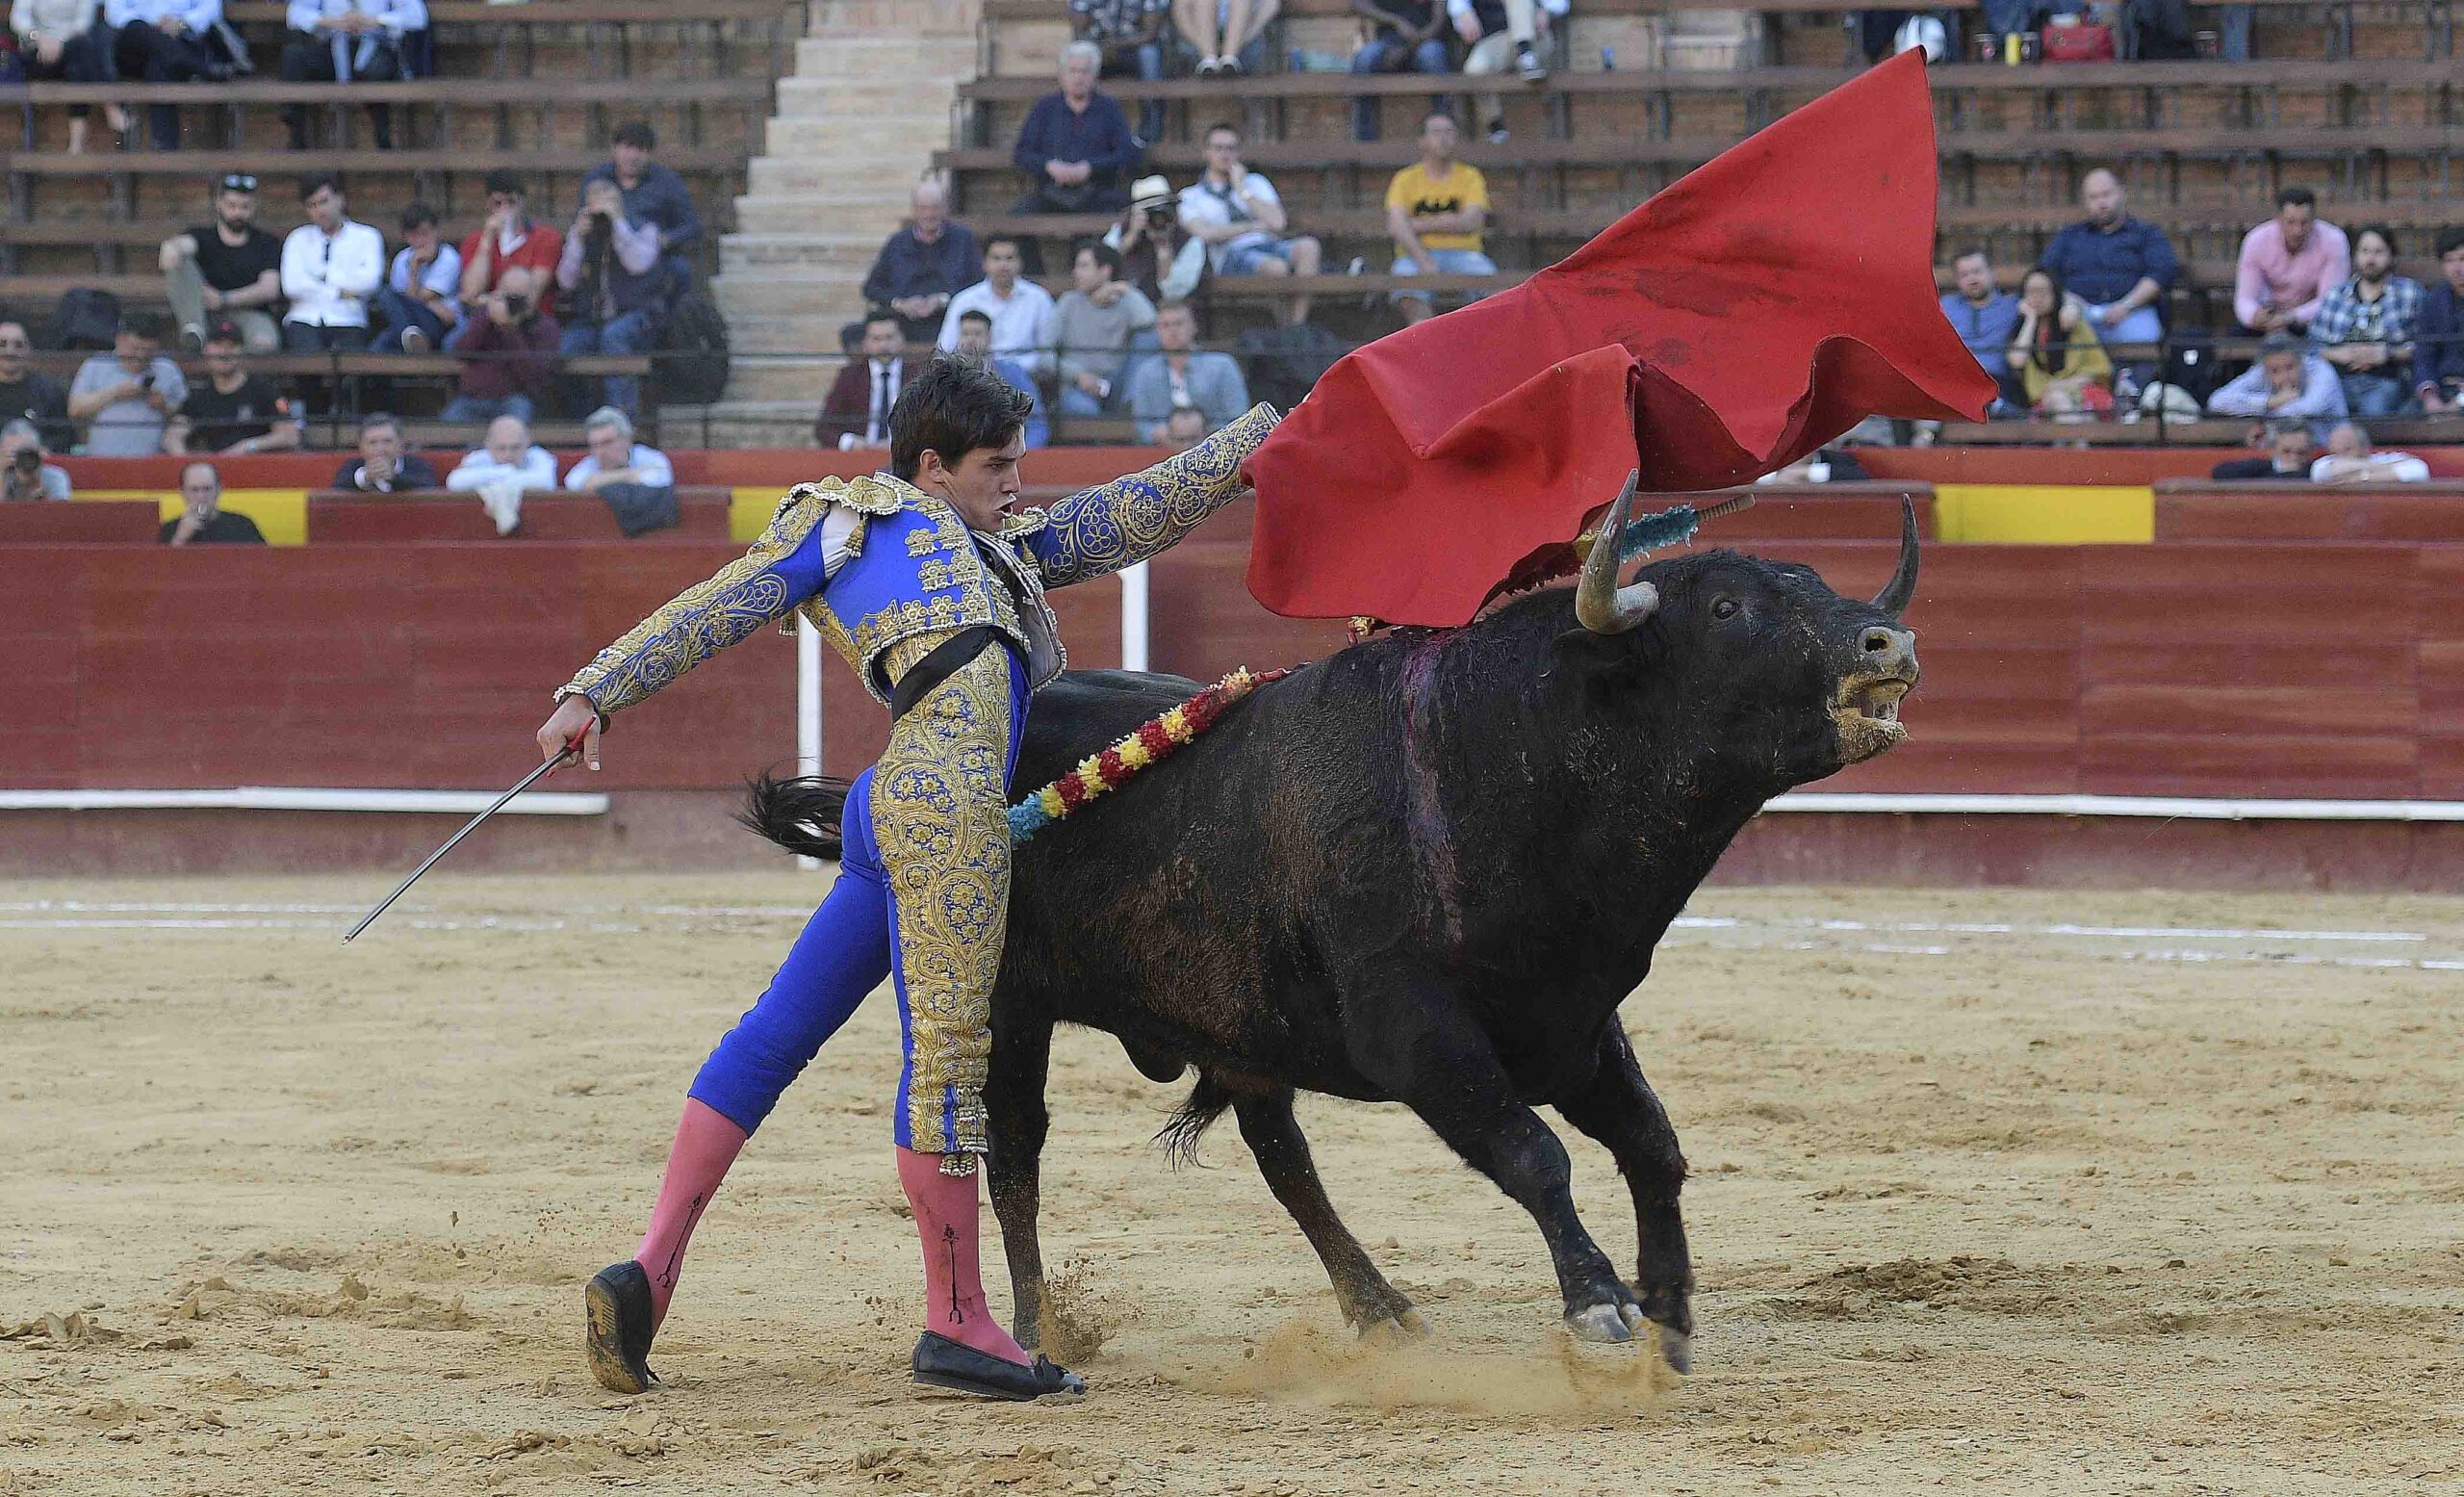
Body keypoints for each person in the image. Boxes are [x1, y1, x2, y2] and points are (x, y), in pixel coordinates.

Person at [532, 353, 1277, 1405]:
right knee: (946, 1065)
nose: (1015, 481)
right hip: (949, 812)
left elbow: (1129, 515)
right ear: (931, 466)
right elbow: (721, 605)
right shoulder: (843, 518)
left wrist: (1251, 444)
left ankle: (648, 1269)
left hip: (887, 805)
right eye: (994, 465)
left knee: (774, 1033)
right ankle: (959, 1325)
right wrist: (596, 691)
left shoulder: (984, 541)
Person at [1177, 122, 1322, 325]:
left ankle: (1297, 325)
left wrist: (1242, 189)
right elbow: (1205, 233)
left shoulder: (1255, 183)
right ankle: (1287, 326)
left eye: (1231, 148)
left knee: (1308, 247)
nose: (1225, 154)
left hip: (1268, 244)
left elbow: (1278, 222)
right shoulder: (1191, 195)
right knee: (1276, 268)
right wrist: (1252, 226)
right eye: (1218, 148)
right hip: (1230, 254)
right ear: (1206, 152)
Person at [2038, 168, 2178, 372]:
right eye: (2093, 197)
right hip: (2079, 314)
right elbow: (2044, 273)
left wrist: (2126, 305)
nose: (2101, 202)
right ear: (2085, 202)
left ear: (2121, 193)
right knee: (2053, 334)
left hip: (2132, 312)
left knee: (2147, 338)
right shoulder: (2069, 236)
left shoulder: (2145, 233)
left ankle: (2135, 397)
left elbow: (2161, 272)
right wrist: (2066, 299)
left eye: (2106, 194)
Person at [556, 177, 667, 416]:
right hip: (591, 318)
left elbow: (638, 263)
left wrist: (617, 223)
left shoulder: (643, 228)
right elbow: (566, 281)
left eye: (607, 201)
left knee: (614, 337)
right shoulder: (584, 233)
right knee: (566, 347)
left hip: (636, 315)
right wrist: (576, 237)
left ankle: (623, 418)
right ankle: (582, 420)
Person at [1012, 42, 1142, 226]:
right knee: (1017, 219)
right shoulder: (1044, 107)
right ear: (1062, 74)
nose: (1078, 78)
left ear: (1095, 75)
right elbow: (1022, 153)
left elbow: (1127, 153)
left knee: (1126, 214)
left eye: (1085, 71)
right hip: (1051, 192)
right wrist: (1049, 166)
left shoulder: (1108, 108)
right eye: (1073, 71)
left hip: (1096, 192)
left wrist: (1089, 167)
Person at [1386, 113, 1496, 327]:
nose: (1443, 138)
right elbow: (1396, 226)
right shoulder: (1405, 179)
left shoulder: (1470, 176)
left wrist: (1419, 224)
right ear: (1422, 141)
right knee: (1406, 284)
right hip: (1415, 254)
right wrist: (1422, 258)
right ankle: (1426, 334)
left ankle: (1486, 338)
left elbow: (1471, 222)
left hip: (1466, 254)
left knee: (1494, 287)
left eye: (1449, 132)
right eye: (1436, 132)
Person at [161, 173, 286, 353]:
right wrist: (172, 247)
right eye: (232, 205)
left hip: (250, 313)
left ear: (254, 206)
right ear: (219, 203)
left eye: (245, 207)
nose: (237, 212)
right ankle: (194, 331)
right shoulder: (202, 236)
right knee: (179, 258)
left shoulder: (266, 242)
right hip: (203, 314)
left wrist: (223, 300)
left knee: (265, 343)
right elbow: (184, 245)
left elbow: (269, 288)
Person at [2309, 224, 2424, 418]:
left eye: (2378, 252)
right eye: (2365, 251)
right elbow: (2311, 347)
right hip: (2339, 379)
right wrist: (2338, 354)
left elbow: (2426, 346)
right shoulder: (2336, 295)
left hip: (2387, 379)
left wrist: (2387, 354)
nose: (2370, 259)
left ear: (2392, 257)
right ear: (2355, 256)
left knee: (2374, 413)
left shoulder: (2409, 293)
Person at [280, 0, 423, 151]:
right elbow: (295, 13)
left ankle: (383, 138)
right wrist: (329, 21)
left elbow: (417, 16)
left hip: (377, 47)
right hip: (334, 46)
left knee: (376, 70)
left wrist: (375, 20)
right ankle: (297, 137)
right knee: (294, 56)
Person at [857, 181, 981, 350]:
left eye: (935, 208)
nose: (929, 214)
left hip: (948, 319)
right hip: (903, 321)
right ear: (914, 210)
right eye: (923, 208)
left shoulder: (964, 239)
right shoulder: (897, 242)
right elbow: (871, 288)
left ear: (945, 208)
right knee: (854, 335)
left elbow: (977, 283)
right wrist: (899, 303)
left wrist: (941, 300)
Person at [581, 122, 704, 291]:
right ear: (614, 149)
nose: (633, 156)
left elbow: (691, 225)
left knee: (681, 270)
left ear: (649, 153)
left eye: (640, 149)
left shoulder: (667, 182)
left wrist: (666, 239)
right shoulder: (597, 179)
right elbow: (584, 217)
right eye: (627, 148)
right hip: (607, 255)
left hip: (654, 255)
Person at [280, 174, 386, 353]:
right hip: (304, 319)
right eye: (312, 205)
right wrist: (340, 291)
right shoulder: (297, 239)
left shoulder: (368, 237)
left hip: (349, 319)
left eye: (324, 201)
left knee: (354, 370)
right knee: (305, 364)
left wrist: (322, 279)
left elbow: (370, 282)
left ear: (340, 200)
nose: (320, 210)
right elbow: (291, 286)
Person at [444, 266, 561, 424]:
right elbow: (461, 353)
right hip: (473, 399)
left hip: (514, 399)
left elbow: (534, 376)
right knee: (445, 432)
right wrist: (488, 317)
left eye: (518, 297)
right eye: (508, 295)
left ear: (532, 295)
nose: (512, 302)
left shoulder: (544, 327)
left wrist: (510, 330)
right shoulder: (483, 318)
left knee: (516, 428)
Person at [167, 322, 303, 455]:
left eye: (231, 346)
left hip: (256, 468)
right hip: (215, 471)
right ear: (206, 350)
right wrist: (185, 462)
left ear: (241, 351)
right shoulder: (200, 397)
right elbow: (172, 435)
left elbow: (290, 435)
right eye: (218, 345)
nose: (225, 352)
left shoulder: (264, 389)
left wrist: (248, 446)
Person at [1053, 241, 1156, 418]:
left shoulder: (1125, 303)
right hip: (1078, 385)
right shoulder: (1068, 302)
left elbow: (1149, 322)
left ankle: (1130, 403)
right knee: (1084, 409)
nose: (1076, 273)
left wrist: (1126, 290)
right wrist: (1078, 375)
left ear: (1105, 271)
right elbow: (1045, 354)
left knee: (1148, 337)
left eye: (1084, 266)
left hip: (1116, 383)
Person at [106, 0, 225, 151]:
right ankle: (195, 64)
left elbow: (211, 8)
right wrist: (152, 27)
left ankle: (165, 146)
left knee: (160, 63)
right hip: (135, 45)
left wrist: (182, 23)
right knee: (137, 28)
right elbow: (114, 13)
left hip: (180, 37)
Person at [1126, 298, 1249, 440]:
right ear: (1157, 331)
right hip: (1163, 453)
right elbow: (1141, 426)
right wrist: (1163, 434)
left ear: (1193, 327)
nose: (1173, 331)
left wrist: (1207, 433)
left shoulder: (1223, 366)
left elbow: (1240, 417)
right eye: (1165, 325)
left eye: (1179, 323)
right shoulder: (1145, 373)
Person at [2234, 187, 2350, 336]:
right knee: (2236, 336)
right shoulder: (2256, 240)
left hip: (2310, 320)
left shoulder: (2333, 241)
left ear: (2314, 219)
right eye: (2290, 222)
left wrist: (2292, 317)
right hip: (2267, 318)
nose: (2297, 230)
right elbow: (2245, 298)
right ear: (2279, 218)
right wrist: (2254, 316)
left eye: (2304, 223)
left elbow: (2330, 301)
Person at [455, 170, 565, 329]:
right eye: (498, 203)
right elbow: (471, 292)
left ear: (522, 202)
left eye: (511, 202)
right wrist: (487, 240)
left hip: (531, 320)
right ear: (488, 204)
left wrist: (486, 300)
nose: (505, 210)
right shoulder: (475, 240)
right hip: (486, 321)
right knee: (453, 342)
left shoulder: (546, 238)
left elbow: (531, 295)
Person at [13, 0, 125, 154]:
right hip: (38, 49)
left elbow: (83, 23)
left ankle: (77, 143)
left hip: (70, 45)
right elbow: (18, 18)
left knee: (78, 63)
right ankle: (110, 106)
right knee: (83, 58)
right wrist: (39, 37)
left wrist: (59, 43)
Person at [68, 311, 187, 456]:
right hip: (102, 460)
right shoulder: (96, 365)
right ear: (120, 340)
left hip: (151, 463)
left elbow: (182, 412)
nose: (141, 356)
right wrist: (115, 393)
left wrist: (163, 406)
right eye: (135, 348)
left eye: (148, 351)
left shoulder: (167, 370)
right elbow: (75, 409)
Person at [936, 237, 1057, 377]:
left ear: (1020, 263)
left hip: (1024, 376)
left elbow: (1047, 352)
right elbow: (944, 350)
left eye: (1009, 258)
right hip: (974, 377)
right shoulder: (964, 300)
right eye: (996, 258)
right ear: (985, 263)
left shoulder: (1039, 298)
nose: (1003, 265)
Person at [2004, 267, 2113, 419]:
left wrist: (2063, 385)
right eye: (2031, 292)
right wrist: (2030, 319)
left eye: (2043, 291)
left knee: (2067, 405)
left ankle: (2077, 442)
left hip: (2084, 393)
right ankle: (2079, 443)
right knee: (2058, 401)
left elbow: (2099, 370)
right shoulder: (2022, 328)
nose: (2037, 297)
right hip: (2045, 401)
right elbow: (2017, 360)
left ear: (2055, 292)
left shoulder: (2075, 323)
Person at [1453, 0, 1564, 145]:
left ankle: (1526, 56)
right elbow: (1456, 6)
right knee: (1475, 69)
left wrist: (1546, 11)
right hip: (1497, 40)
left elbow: (1559, 4)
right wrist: (1463, 15)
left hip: (1536, 38)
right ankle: (1495, 124)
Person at [2206, 330, 2348, 438]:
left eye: (2289, 367)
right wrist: (2270, 402)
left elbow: (2307, 410)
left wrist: (2265, 424)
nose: (2284, 376)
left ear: (2301, 361)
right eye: (2275, 371)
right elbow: (2217, 401)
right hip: (2281, 448)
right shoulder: (2262, 371)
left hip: (2327, 448)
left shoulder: (2321, 371)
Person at [818, 310, 926, 451]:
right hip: (859, 457)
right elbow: (824, 427)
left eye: (889, 337)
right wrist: (850, 442)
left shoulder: (919, 375)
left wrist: (901, 443)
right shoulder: (850, 376)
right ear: (865, 343)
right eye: (876, 339)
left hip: (906, 457)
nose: (883, 346)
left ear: (902, 340)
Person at [1348, 0, 1450, 143]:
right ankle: (1365, 142)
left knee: (1433, 55)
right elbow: (1358, 5)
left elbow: (1439, 21)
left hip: (1424, 40)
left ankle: (1443, 134)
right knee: (1365, 58)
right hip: (1387, 45)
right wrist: (1395, 21)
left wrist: (1408, 49)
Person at [1070, 0, 1169, 143]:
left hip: (1134, 48)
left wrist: (1117, 45)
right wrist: (1101, 48)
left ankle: (1151, 128)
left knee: (1150, 54)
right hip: (1099, 48)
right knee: (1080, 54)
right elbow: (1079, 33)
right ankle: (1084, 129)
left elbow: (1150, 34)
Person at [1938, 248, 2023, 410]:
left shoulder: (2012, 305)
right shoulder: (1945, 306)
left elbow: (2052, 294)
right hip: (1954, 379)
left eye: (1977, 272)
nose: (1972, 279)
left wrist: (2071, 306)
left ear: (1992, 273)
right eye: (1964, 275)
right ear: (1957, 281)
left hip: (1996, 380)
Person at [373, 201, 464, 354]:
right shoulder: (402, 259)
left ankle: (412, 339)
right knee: (378, 347)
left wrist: (414, 268)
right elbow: (401, 303)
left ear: (436, 231)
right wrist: (430, 302)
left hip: (439, 324)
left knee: (388, 297)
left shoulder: (449, 258)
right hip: (408, 322)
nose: (420, 241)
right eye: (413, 235)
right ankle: (411, 339)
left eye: (425, 233)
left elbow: (417, 299)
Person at [1104, 175, 1207, 306]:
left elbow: (1174, 293)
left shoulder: (1190, 242)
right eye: (1150, 212)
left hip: (1168, 314)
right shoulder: (1121, 231)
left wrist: (1164, 248)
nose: (1157, 218)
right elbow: (1101, 263)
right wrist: (1130, 238)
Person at [563, 405, 674, 491]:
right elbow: (572, 483)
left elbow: (661, 479)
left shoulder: (650, 457)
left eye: (607, 443)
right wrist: (631, 475)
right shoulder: (591, 462)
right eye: (594, 445)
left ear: (626, 439)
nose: (600, 452)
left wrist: (597, 480)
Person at [0, 321, 72, 447]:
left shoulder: (48, 390)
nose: (10, 351)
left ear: (29, 350)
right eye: (2, 344)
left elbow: (64, 436)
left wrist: (42, 450)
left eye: (18, 345)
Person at [2418, 227, 2464, 415]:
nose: (2457, 268)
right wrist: (2430, 397)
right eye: (2449, 260)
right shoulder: (2433, 300)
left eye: (2462, 259)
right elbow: (2424, 353)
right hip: (2442, 389)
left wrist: (2459, 402)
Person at [161, 460, 265, 544]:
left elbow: (263, 563)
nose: (201, 496)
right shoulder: (170, 529)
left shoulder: (242, 525)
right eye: (194, 490)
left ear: (218, 490)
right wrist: (180, 538)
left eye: (207, 489)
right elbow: (162, 567)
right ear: (183, 493)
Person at [445, 413, 555, 491]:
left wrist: (488, 479)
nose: (509, 455)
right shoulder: (478, 458)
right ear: (488, 445)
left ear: (527, 442)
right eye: (501, 448)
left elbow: (546, 483)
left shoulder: (539, 456)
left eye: (516, 447)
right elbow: (454, 482)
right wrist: (507, 472)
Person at [332, 411, 440, 490]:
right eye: (372, 442)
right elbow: (336, 490)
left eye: (387, 441)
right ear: (361, 447)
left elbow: (429, 488)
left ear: (400, 445)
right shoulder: (351, 466)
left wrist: (394, 478)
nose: (380, 449)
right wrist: (366, 477)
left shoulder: (418, 465)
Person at [1170, 0, 1276, 75]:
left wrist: (1237, 42)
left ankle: (1229, 58)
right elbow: (1180, 13)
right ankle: (1209, 58)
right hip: (1198, 47)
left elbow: (1271, 6)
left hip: (1244, 45)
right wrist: (1207, 45)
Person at [2309, 422, 2431, 484]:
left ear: (2365, 448)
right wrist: (2382, 469)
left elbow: (2419, 471)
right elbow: (2319, 472)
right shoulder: (2327, 461)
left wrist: (2360, 478)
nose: (2341, 457)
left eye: (2347, 449)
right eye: (2335, 452)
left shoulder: (2386, 458)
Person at [2207, 419, 2317, 482]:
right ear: (2272, 449)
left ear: (2311, 452)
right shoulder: (2258, 467)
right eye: (2286, 451)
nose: (2294, 458)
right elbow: (2219, 472)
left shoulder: (2316, 470)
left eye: (2301, 453)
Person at [1, 420, 72, 502]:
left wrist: (39, 487)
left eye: (28, 453)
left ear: (39, 452)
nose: (23, 459)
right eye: (14, 454)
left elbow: (62, 511)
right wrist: (2, 475)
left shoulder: (54, 476)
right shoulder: (5, 477)